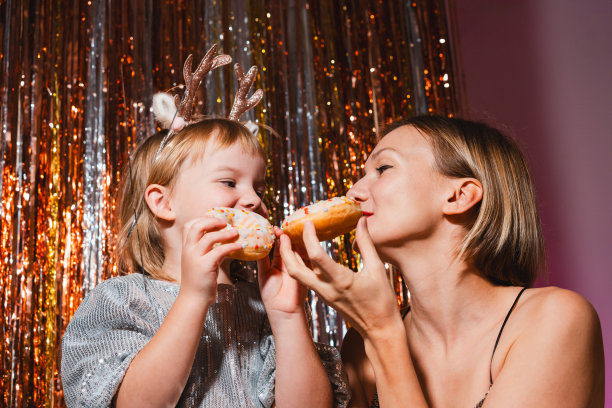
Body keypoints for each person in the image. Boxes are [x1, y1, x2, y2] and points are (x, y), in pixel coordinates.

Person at [279, 115, 605, 407]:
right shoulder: (359, 346)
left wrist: (383, 335)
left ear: (458, 196)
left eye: (383, 169)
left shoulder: (556, 319)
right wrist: (288, 313)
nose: (354, 192)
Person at [61, 118, 349, 407]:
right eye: (229, 182)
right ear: (164, 202)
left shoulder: (261, 306)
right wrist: (194, 297)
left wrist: (287, 316)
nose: (254, 201)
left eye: (259, 190)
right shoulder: (121, 299)